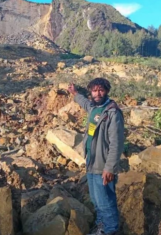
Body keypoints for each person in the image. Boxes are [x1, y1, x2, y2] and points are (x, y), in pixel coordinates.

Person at [68, 78, 124, 235]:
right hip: (91, 162)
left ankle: (111, 230)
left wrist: (110, 168)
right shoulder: (94, 108)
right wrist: (75, 93)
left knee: (105, 201)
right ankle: (101, 225)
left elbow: (116, 143)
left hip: (103, 165)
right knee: (96, 199)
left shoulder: (112, 112)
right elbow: (85, 103)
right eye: (94, 90)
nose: (98, 93)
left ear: (107, 91)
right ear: (91, 92)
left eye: (101, 90)